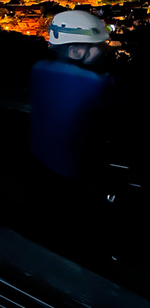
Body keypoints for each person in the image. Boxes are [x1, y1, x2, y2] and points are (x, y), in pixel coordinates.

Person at [30, 10, 113, 180]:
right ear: (76, 51)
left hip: (38, 162)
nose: (104, 49)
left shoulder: (38, 69)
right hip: (77, 172)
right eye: (98, 46)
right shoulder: (97, 82)